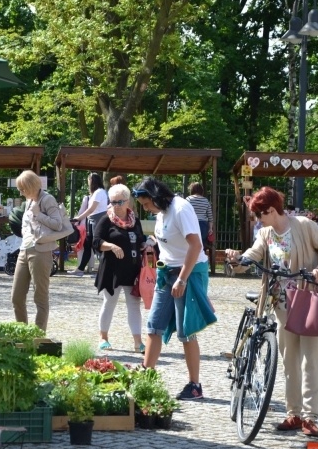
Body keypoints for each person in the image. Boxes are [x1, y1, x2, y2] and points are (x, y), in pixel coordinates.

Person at [224, 186, 318, 437]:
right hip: (281, 305)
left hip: (310, 299)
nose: (257, 219)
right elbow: (253, 255)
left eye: (259, 214)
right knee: (288, 361)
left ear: (272, 210)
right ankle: (293, 413)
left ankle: (310, 416)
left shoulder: (304, 225)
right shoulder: (265, 233)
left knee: (311, 361)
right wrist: (238, 259)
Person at [132, 178, 216, 401]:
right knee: (154, 325)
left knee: (186, 331)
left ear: (156, 197)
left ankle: (195, 386)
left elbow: (196, 245)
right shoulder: (161, 212)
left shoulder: (180, 208)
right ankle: (146, 376)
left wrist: (182, 280)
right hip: (167, 273)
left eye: (146, 203)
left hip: (188, 273)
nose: (145, 208)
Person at [92, 183, 146, 353]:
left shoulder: (135, 220)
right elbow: (96, 241)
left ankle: (138, 342)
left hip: (132, 269)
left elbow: (140, 240)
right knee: (109, 302)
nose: (116, 205)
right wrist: (111, 246)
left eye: (120, 202)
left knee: (134, 305)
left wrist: (147, 243)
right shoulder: (106, 219)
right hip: (112, 270)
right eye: (113, 202)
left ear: (128, 201)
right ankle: (103, 338)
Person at [11, 170, 65, 331]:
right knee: (16, 297)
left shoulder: (47, 199)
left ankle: (38, 336)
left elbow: (58, 224)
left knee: (40, 297)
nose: (21, 192)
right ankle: (23, 333)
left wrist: (38, 214)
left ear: (30, 186)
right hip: (24, 249)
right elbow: (25, 223)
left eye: (22, 189)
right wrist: (24, 232)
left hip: (41, 251)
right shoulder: (29, 200)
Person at [69, 172, 108, 276]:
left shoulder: (99, 192)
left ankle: (103, 271)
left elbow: (91, 209)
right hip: (92, 221)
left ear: (92, 181)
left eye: (88, 181)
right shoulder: (96, 193)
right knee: (87, 245)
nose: (88, 183)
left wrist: (79, 218)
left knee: (97, 245)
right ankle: (80, 269)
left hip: (97, 220)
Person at [186, 181, 213, 250]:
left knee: (190, 244)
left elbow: (185, 213)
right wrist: (210, 228)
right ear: (201, 190)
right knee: (201, 244)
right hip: (203, 224)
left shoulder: (188, 199)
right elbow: (210, 216)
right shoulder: (205, 200)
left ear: (192, 189)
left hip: (191, 224)